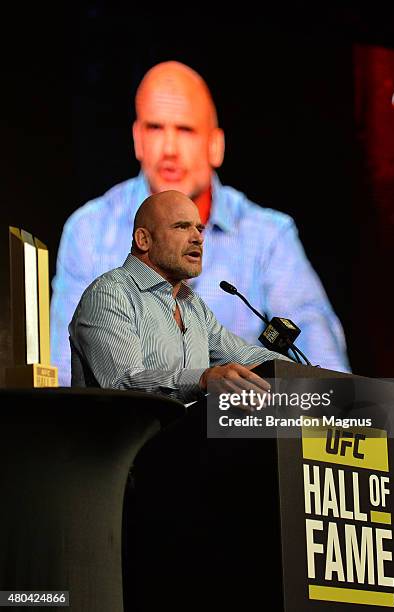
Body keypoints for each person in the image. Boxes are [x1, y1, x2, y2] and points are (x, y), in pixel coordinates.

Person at [52, 60, 349, 386]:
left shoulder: (268, 238)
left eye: (185, 130)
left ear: (215, 145)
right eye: (155, 128)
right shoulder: (89, 232)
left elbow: (318, 357)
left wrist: (334, 402)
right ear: (137, 139)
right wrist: (202, 380)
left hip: (235, 431)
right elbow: (69, 379)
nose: (169, 150)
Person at [69, 190, 290, 399]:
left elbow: (245, 355)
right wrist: (203, 379)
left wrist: (303, 373)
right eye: (182, 227)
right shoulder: (110, 294)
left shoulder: (191, 304)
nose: (198, 238)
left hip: (188, 438)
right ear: (143, 240)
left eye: (199, 229)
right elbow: (123, 382)